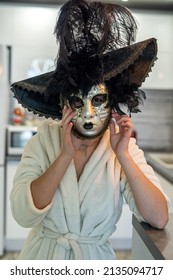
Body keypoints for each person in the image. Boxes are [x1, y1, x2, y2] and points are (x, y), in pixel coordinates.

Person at [10, 0, 169, 260]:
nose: (88, 113)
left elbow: (159, 217)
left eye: (97, 101)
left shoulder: (120, 147)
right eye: (76, 101)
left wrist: (124, 156)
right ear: (63, 104)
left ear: (112, 101)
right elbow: (22, 214)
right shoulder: (46, 140)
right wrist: (64, 156)